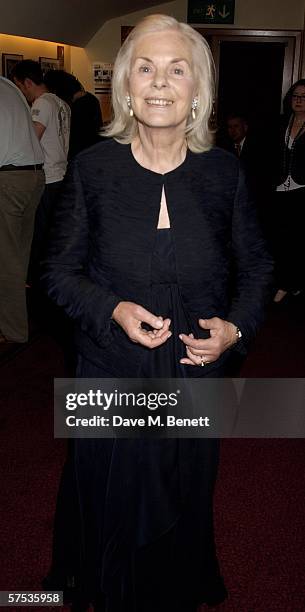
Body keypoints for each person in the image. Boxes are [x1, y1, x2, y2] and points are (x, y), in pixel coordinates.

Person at [42, 14, 273, 612]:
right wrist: (113, 308)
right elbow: (57, 274)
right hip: (109, 369)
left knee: (184, 493)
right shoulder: (92, 171)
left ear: (198, 89)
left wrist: (236, 329)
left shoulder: (225, 174)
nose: (161, 83)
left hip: (195, 374)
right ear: (124, 86)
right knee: (108, 495)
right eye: (145, 68)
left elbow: (257, 270)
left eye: (178, 69)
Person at [12, 60, 70, 280]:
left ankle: (37, 277)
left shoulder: (41, 104)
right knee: (52, 231)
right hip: (61, 173)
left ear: (27, 82)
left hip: (48, 175)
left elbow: (32, 138)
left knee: (41, 232)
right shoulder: (61, 103)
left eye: (19, 86)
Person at [0, 76, 45, 343]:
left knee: (6, 259)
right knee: (18, 255)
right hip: (34, 176)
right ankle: (17, 317)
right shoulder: (7, 84)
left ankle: (13, 331)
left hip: (9, 179)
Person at [271, 79, 305, 303]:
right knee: (279, 239)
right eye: (296, 96)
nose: (299, 101)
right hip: (280, 188)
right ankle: (287, 282)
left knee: (298, 240)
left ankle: (288, 284)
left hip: (303, 189)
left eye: (304, 97)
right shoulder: (281, 123)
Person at [44, 70, 103, 158]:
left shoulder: (78, 106)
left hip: (81, 156)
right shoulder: (91, 99)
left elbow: (74, 138)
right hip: (93, 153)